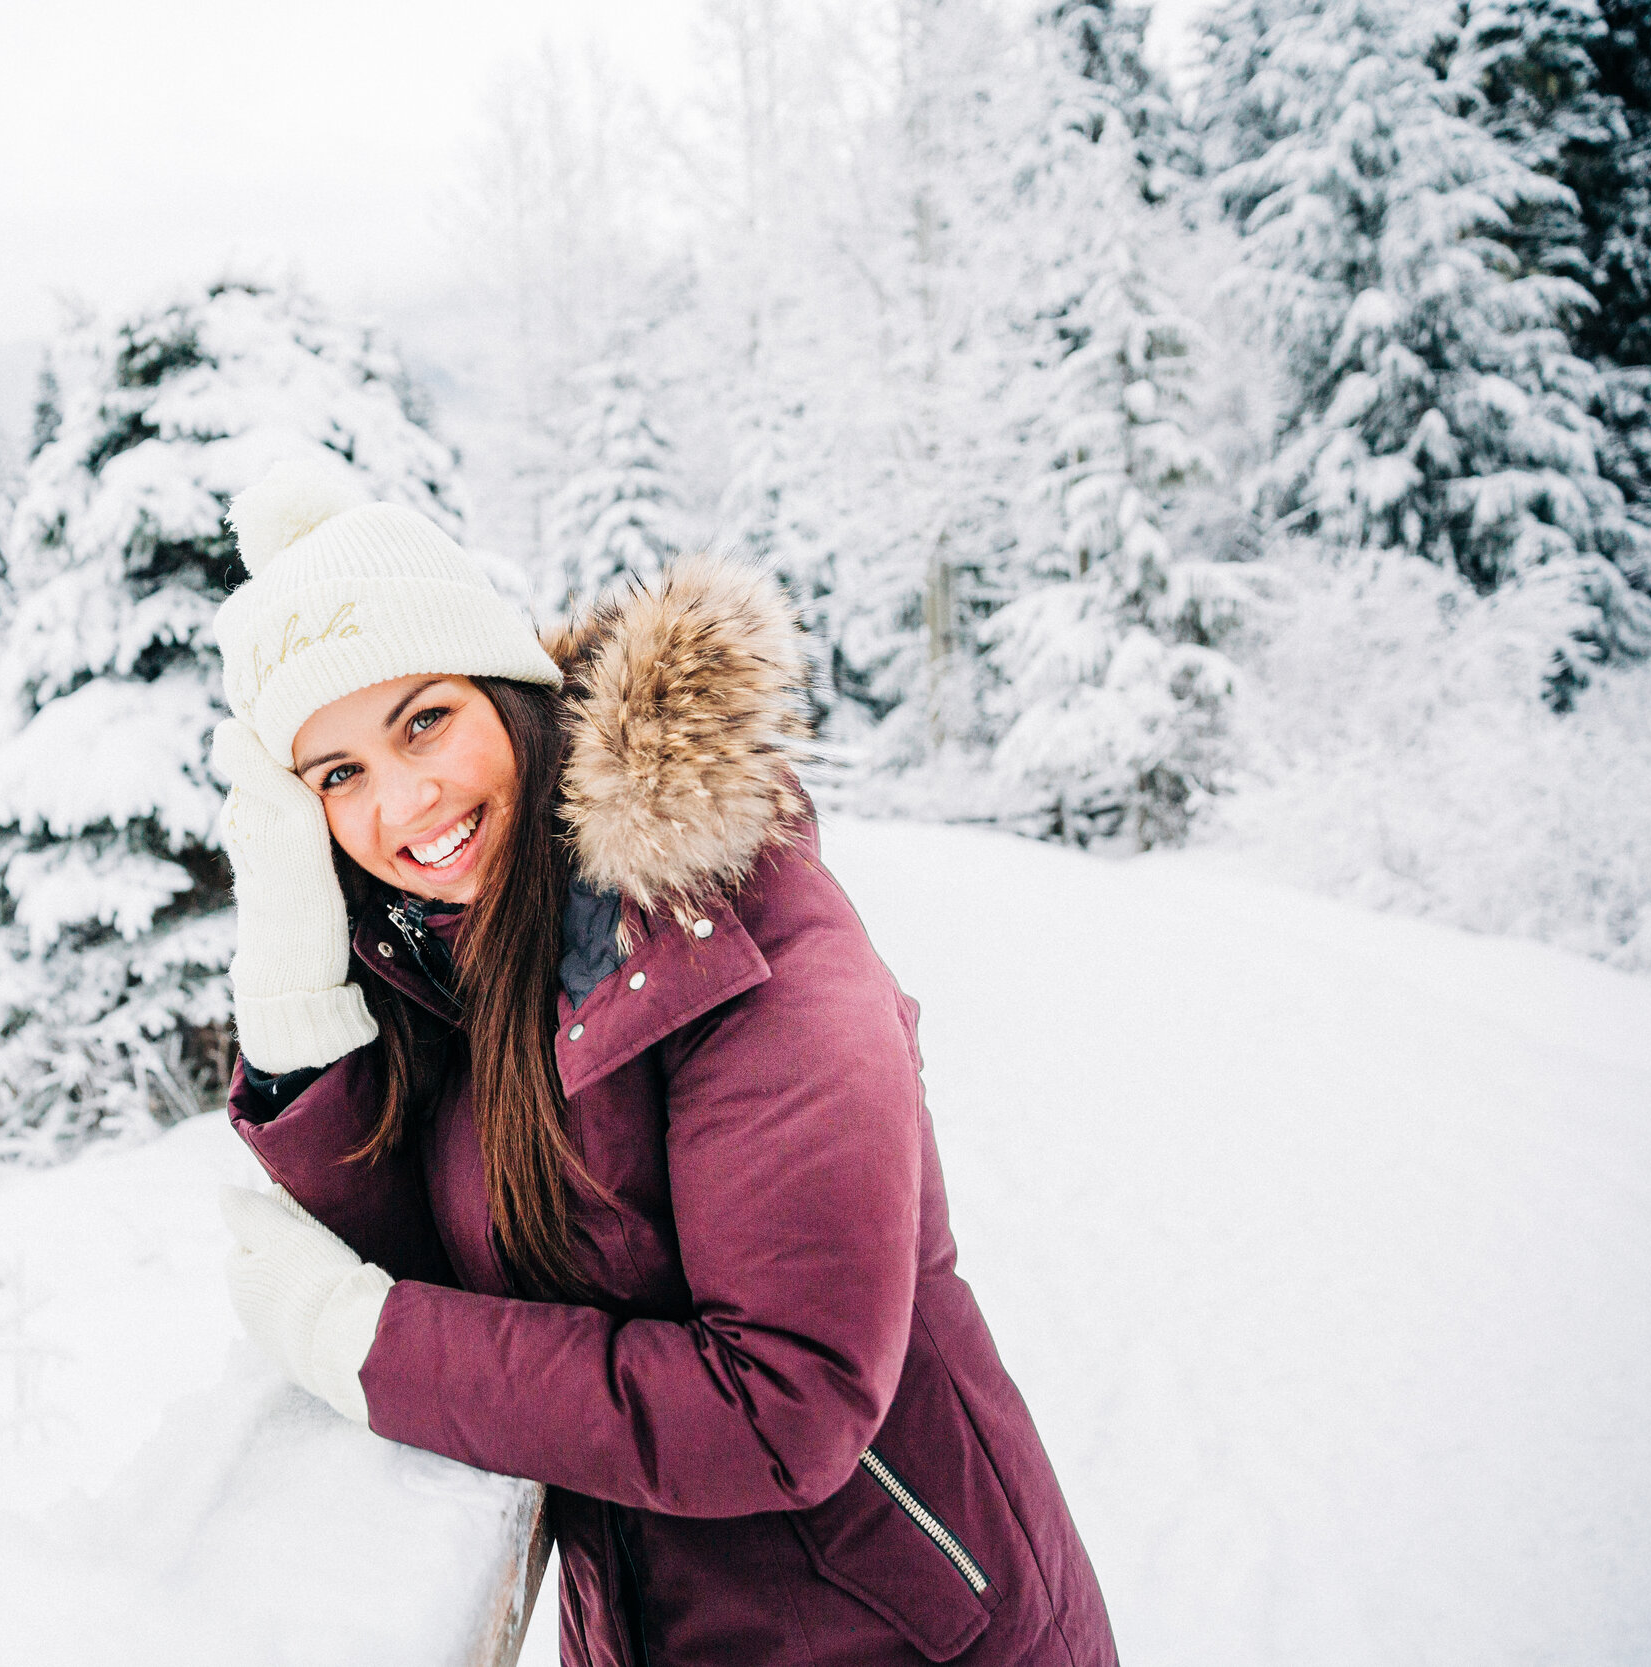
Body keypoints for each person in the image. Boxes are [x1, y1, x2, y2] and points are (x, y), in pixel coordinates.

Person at [207, 460, 1117, 1667]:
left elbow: (781, 1403)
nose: (404, 797)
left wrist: (356, 1338)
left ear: (509, 689)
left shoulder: (736, 936)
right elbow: (434, 1262)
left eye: (424, 718)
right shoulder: (472, 956)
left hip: (907, 1630)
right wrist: (287, 963)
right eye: (338, 776)